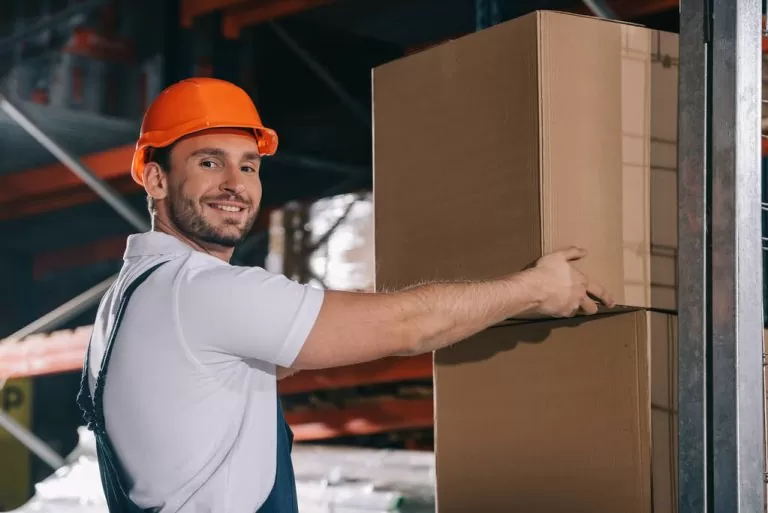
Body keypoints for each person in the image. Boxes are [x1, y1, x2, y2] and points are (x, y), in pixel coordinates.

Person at [76, 77, 615, 513]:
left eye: (249, 165)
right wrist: (535, 289)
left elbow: (314, 339)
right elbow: (407, 327)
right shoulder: (198, 291)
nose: (236, 184)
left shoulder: (129, 301)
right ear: (155, 179)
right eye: (209, 162)